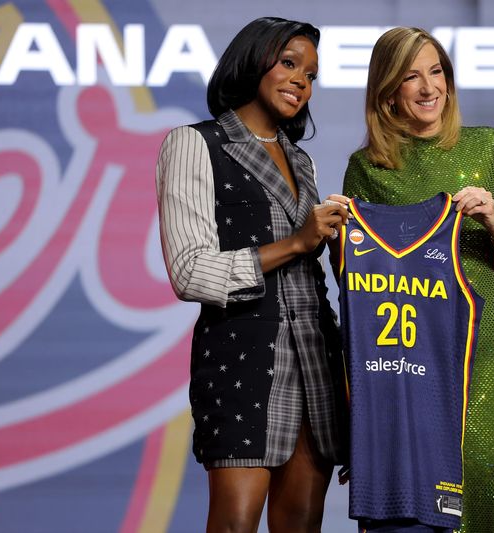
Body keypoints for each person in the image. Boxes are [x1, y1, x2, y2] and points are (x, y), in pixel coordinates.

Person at [156, 17, 349, 533]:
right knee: (234, 524)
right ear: (253, 60)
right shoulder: (195, 144)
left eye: (311, 74)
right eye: (289, 63)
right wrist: (294, 243)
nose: (300, 81)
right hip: (242, 359)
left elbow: (309, 271)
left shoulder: (301, 161)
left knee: (303, 525)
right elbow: (190, 272)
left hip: (315, 359)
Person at [341, 27, 494, 532]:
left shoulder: (487, 147)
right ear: (387, 92)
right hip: (412, 355)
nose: (429, 88)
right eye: (411, 77)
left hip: (486, 347)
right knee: (423, 489)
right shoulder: (367, 168)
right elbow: (361, 276)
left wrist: (493, 221)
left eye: (436, 72)